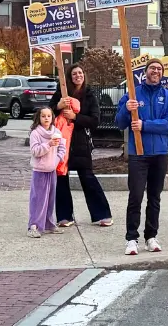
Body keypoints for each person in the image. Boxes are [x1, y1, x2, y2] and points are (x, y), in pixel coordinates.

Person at [115, 58, 168, 255]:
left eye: (159, 69)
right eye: (153, 68)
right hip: (138, 154)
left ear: (162, 73)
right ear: (146, 72)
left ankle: (151, 236)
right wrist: (127, 110)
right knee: (135, 196)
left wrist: (144, 125)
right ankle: (131, 238)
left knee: (154, 197)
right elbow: (119, 123)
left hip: (159, 153)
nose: (156, 71)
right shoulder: (133, 95)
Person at [49, 65, 113, 228]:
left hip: (81, 143)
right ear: (69, 77)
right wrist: (57, 107)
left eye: (80, 73)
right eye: (74, 73)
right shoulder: (60, 94)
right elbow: (46, 115)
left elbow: (95, 121)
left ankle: (102, 214)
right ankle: (64, 216)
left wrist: (75, 117)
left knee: (88, 178)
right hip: (61, 144)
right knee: (61, 179)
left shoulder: (90, 95)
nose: (78, 76)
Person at [28, 106, 66, 238]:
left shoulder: (56, 132)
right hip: (39, 171)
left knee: (50, 199)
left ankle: (49, 224)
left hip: (52, 170)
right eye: (43, 116)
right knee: (38, 199)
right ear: (39, 118)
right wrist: (48, 144)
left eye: (49, 116)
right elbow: (35, 151)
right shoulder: (35, 133)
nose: (46, 118)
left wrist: (56, 160)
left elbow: (62, 148)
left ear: (52, 118)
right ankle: (34, 226)